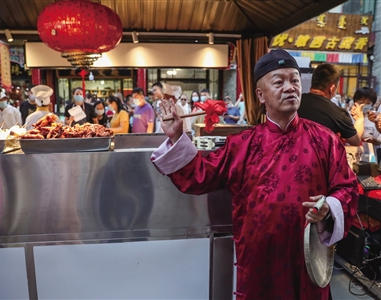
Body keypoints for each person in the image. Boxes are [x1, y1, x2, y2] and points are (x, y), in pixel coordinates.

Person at [151, 49, 358, 299]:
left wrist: (329, 207)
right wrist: (176, 136)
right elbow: (199, 175)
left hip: (308, 261)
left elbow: (347, 188)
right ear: (260, 94)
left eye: (294, 80)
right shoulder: (242, 144)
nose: (290, 87)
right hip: (259, 263)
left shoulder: (324, 140)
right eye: (279, 82)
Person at [298, 63, 364, 146]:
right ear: (332, 88)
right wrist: (360, 119)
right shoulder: (338, 114)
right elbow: (355, 141)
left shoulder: (294, 104)